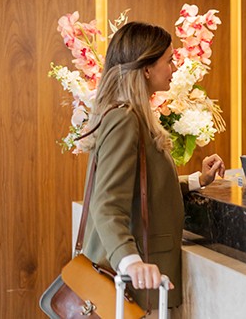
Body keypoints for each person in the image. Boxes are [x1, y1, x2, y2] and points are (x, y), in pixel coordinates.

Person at [78, 22, 225, 311]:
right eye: (169, 60)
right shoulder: (124, 120)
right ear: (146, 68)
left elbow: (145, 190)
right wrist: (131, 261)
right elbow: (107, 204)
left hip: (138, 283)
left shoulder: (134, 116)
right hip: (131, 285)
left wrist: (197, 180)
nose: (174, 68)